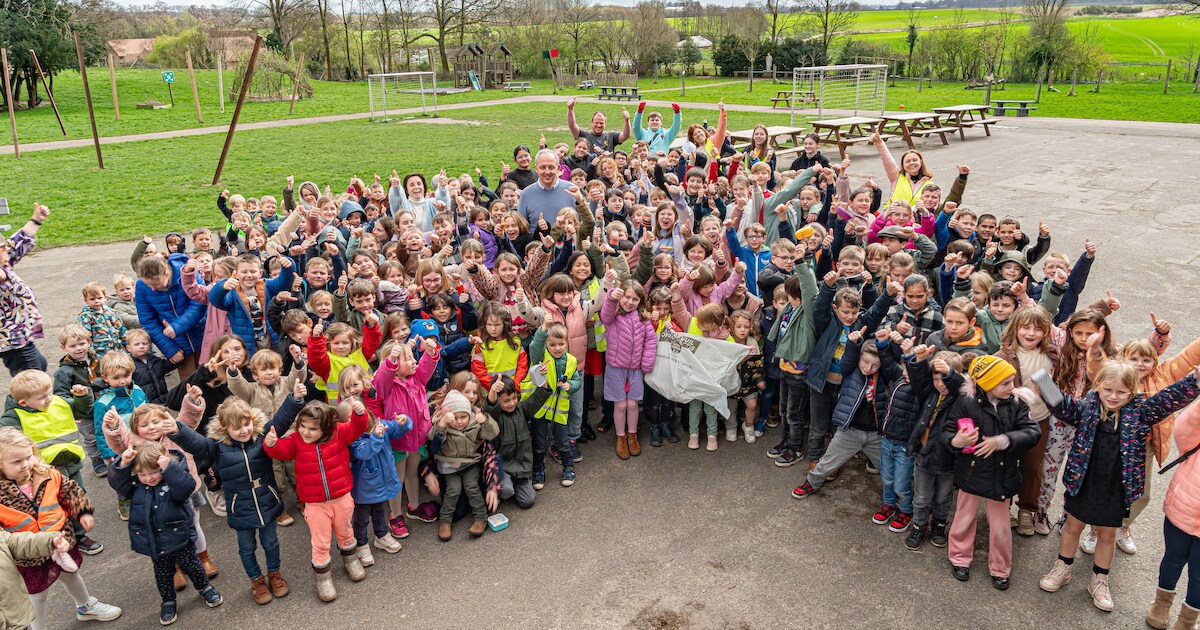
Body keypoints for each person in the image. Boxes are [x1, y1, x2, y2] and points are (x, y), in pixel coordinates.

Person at [1035, 363, 1200, 613]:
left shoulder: (1142, 413)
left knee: (1107, 535)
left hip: (1117, 488)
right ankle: (1062, 567)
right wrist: (1041, 378)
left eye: (1121, 392)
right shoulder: (1085, 408)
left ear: (1132, 392)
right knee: (1072, 527)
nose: (1113, 396)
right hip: (1083, 482)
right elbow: (1061, 405)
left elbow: (1169, 399)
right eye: (1108, 389)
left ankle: (1099, 580)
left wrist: (1194, 381)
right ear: (1098, 386)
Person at [167, 390, 303, 606]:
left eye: (246, 424)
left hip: (266, 500)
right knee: (247, 548)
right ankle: (257, 581)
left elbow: (282, 419)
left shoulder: (261, 435)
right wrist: (177, 430)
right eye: (237, 427)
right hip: (240, 506)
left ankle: (275, 574)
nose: (244, 430)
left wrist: (294, 399)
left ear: (252, 420)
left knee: (271, 542)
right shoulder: (217, 447)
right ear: (224, 429)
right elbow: (195, 443)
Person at [0, 426, 122, 630]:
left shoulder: (47, 475)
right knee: (37, 595)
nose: (25, 465)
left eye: (28, 457)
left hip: (61, 543)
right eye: (16, 462)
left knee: (70, 574)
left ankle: (85, 606)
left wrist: (82, 512)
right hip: (28, 554)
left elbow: (71, 491)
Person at [945, 355, 1041, 590]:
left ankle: (1000, 567)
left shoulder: (1017, 403)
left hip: (1002, 473)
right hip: (972, 472)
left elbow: (1032, 432)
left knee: (1000, 527)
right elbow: (947, 431)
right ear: (987, 384)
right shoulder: (965, 402)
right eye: (1005, 383)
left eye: (1012, 381)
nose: (1012, 387)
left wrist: (1003, 440)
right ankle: (959, 558)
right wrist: (956, 441)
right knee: (964, 517)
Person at [264, 399, 370, 602]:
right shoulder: (296, 440)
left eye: (312, 428)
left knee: (346, 532)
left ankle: (351, 561)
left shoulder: (339, 433)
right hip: (314, 504)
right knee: (320, 543)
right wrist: (272, 444)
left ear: (326, 428)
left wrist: (359, 413)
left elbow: (358, 427)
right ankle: (323, 579)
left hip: (342, 498)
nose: (305, 432)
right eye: (302, 426)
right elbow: (283, 451)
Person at [108, 442, 223, 625]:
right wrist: (123, 464)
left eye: (154, 472)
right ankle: (168, 601)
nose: (149, 478)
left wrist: (169, 468)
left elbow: (185, 488)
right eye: (142, 474)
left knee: (192, 565)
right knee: (162, 574)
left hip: (180, 536)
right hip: (155, 541)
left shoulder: (173, 479)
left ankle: (204, 587)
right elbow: (116, 482)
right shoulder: (135, 485)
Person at [1147, 400, 1200, 629]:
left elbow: (1184, 432)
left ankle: (1179, 617)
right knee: (1179, 562)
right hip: (1185, 507)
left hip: (1184, 504)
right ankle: (1169, 612)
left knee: (1182, 565)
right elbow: (1184, 430)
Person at [429, 390, 499, 541]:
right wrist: (442, 424)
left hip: (470, 463)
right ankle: (445, 521)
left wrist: (485, 420)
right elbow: (432, 439)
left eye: (463, 417)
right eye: (456, 418)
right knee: (453, 490)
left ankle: (481, 518)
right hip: (449, 464)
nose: (460, 422)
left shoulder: (474, 424)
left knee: (471, 486)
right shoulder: (444, 425)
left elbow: (492, 434)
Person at [599, 280, 657, 459]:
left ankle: (632, 435)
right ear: (620, 296)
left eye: (635, 299)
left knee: (632, 405)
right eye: (627, 297)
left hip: (635, 369)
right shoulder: (614, 314)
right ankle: (621, 437)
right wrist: (611, 298)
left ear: (641, 301)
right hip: (616, 367)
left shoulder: (643, 319)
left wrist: (646, 364)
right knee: (620, 404)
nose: (630, 302)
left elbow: (650, 341)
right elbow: (605, 313)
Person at [0, 203, 51, 377]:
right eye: (1, 247)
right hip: (11, 341)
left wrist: (36, 220)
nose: (6, 248)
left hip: (22, 337)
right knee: (33, 381)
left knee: (40, 366)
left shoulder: (4, 262)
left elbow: (16, 244)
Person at [516, 150, 579, 230]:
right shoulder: (526, 194)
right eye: (542, 167)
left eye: (551, 167)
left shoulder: (572, 190)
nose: (547, 172)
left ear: (558, 168)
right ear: (536, 169)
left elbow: (584, 222)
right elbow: (521, 228)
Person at [566, 98, 631, 153]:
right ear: (592, 123)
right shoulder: (584, 135)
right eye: (596, 123)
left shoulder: (611, 136)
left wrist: (627, 120)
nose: (599, 125)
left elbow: (626, 135)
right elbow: (572, 125)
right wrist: (570, 109)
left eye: (601, 123)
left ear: (605, 124)